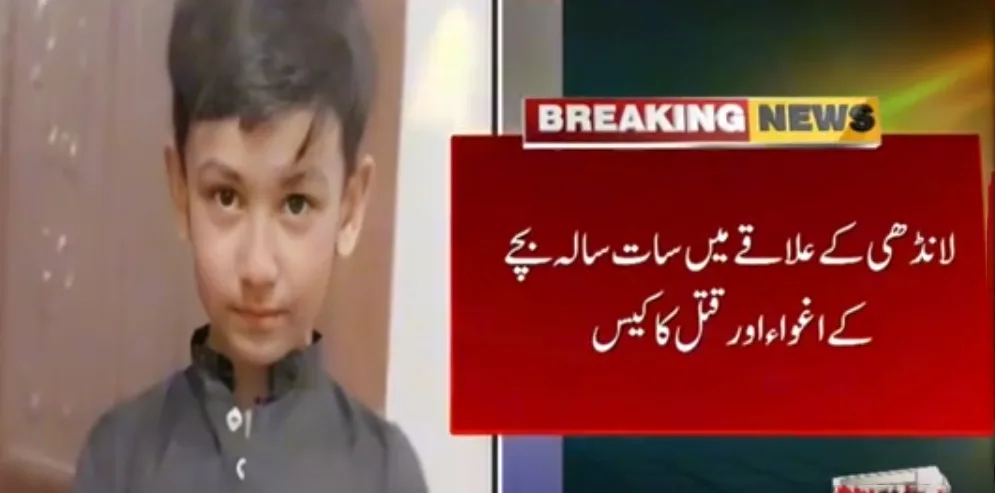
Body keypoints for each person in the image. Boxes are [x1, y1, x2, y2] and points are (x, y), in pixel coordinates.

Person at [70, 0, 429, 491]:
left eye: (296, 204)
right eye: (226, 196)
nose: (258, 267)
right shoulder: (119, 457)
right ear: (181, 191)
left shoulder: (385, 472)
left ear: (349, 207)